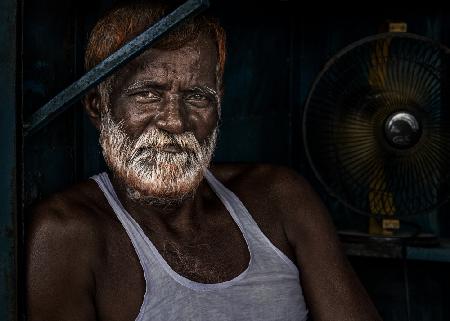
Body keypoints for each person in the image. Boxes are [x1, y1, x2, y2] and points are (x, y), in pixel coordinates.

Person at [27, 2, 382, 320]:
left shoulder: (280, 198)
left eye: (197, 96)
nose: (174, 121)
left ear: (219, 105)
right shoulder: (67, 234)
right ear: (98, 106)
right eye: (148, 94)